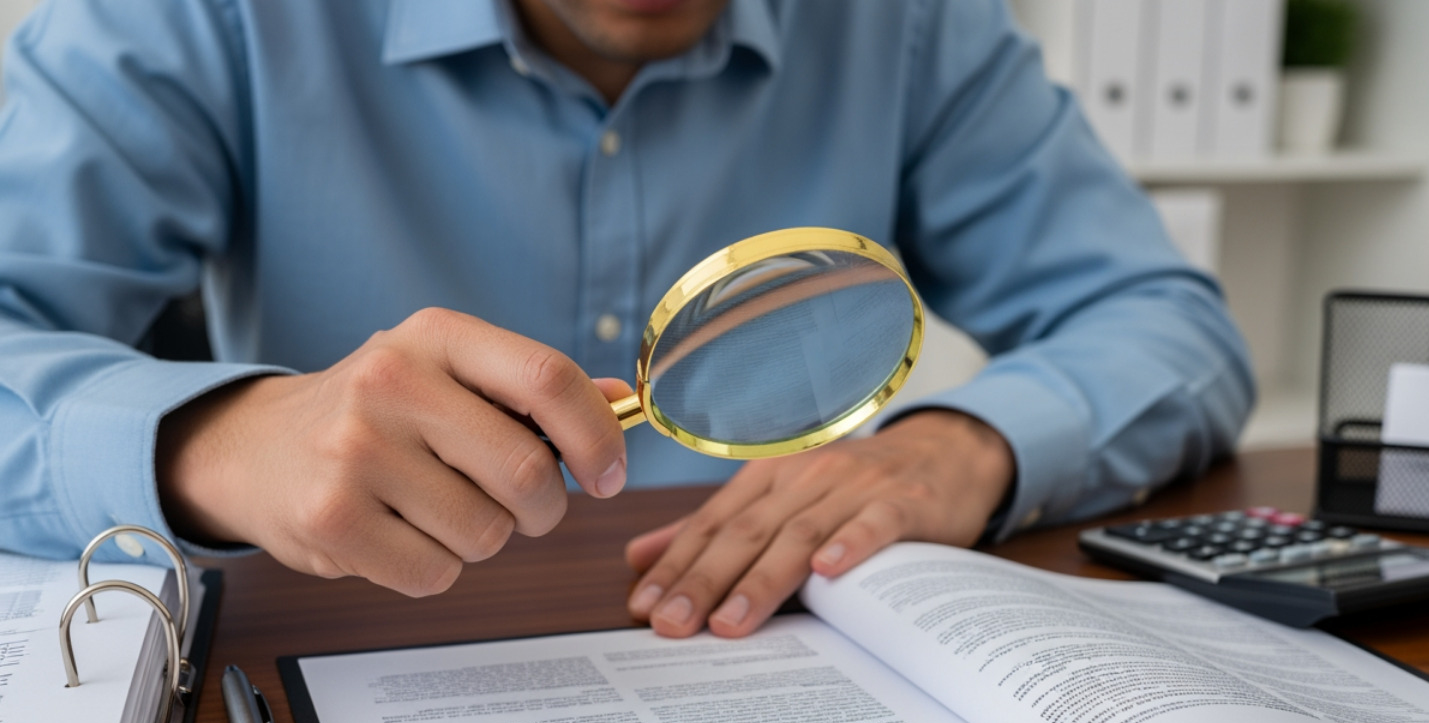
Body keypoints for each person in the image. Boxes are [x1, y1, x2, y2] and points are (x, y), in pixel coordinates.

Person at [0, 0, 1253, 638]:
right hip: (337, 678)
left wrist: (963, 446)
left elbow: (1163, 319)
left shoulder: (906, 23)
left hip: (800, 656)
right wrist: (211, 441)